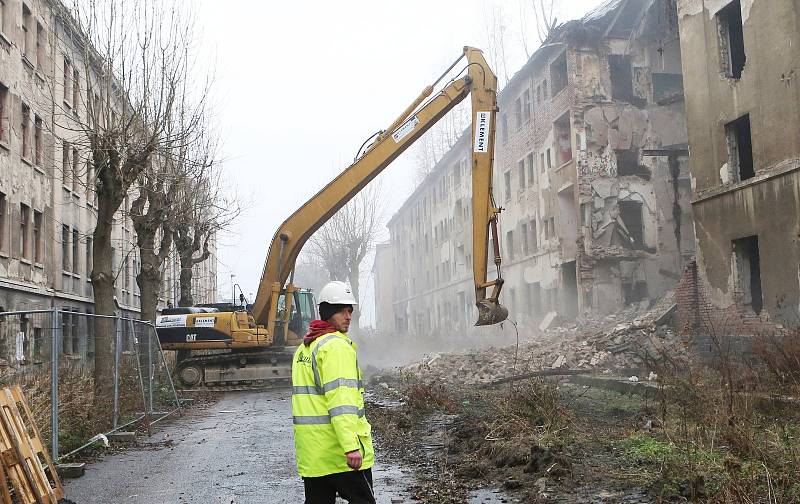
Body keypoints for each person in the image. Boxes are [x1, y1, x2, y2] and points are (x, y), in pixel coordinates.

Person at [291, 281, 376, 504]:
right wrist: (350, 446)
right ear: (328, 312)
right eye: (341, 310)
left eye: (350, 310)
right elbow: (341, 402)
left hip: (314, 456)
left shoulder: (306, 347)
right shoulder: (336, 347)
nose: (348, 316)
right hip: (339, 454)